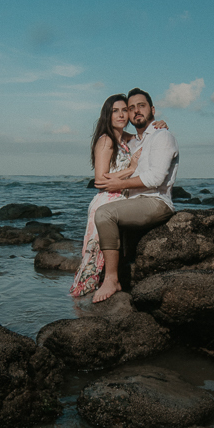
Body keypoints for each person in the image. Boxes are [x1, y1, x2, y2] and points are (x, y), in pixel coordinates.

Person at [90, 88, 179, 303]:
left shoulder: (162, 136)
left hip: (155, 200)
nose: (135, 111)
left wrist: (119, 183)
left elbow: (155, 178)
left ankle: (112, 279)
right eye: (131, 108)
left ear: (152, 110)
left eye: (141, 106)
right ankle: (109, 276)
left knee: (105, 215)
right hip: (133, 201)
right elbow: (103, 173)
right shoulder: (134, 141)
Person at [68, 94, 139, 298]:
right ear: (107, 115)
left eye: (124, 110)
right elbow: (99, 180)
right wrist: (131, 169)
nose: (121, 115)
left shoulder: (124, 138)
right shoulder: (106, 140)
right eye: (115, 111)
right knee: (95, 258)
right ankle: (80, 303)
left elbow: (146, 136)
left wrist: (158, 123)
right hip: (106, 203)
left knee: (113, 255)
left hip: (119, 204)